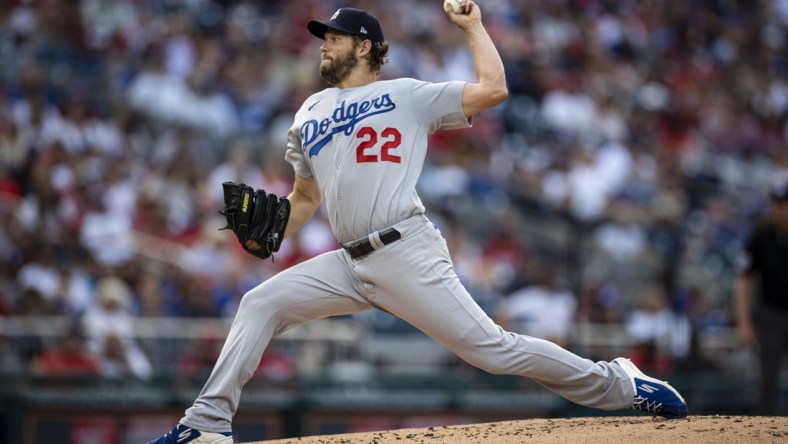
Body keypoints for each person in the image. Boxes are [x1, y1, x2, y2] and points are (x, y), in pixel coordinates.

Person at [148, 3, 687, 443]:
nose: (323, 44)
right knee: (259, 302)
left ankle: (621, 381)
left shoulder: (407, 94)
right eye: (322, 37)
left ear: (363, 46)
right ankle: (206, 426)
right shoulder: (308, 111)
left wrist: (474, 26)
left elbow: (493, 89)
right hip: (346, 262)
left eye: (334, 37)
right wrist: (267, 232)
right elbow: (303, 200)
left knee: (493, 352)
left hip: (404, 250)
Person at [733, 174, 788, 415]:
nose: (784, 210)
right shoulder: (761, 237)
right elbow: (744, 280)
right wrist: (744, 322)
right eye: (779, 204)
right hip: (770, 317)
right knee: (768, 380)